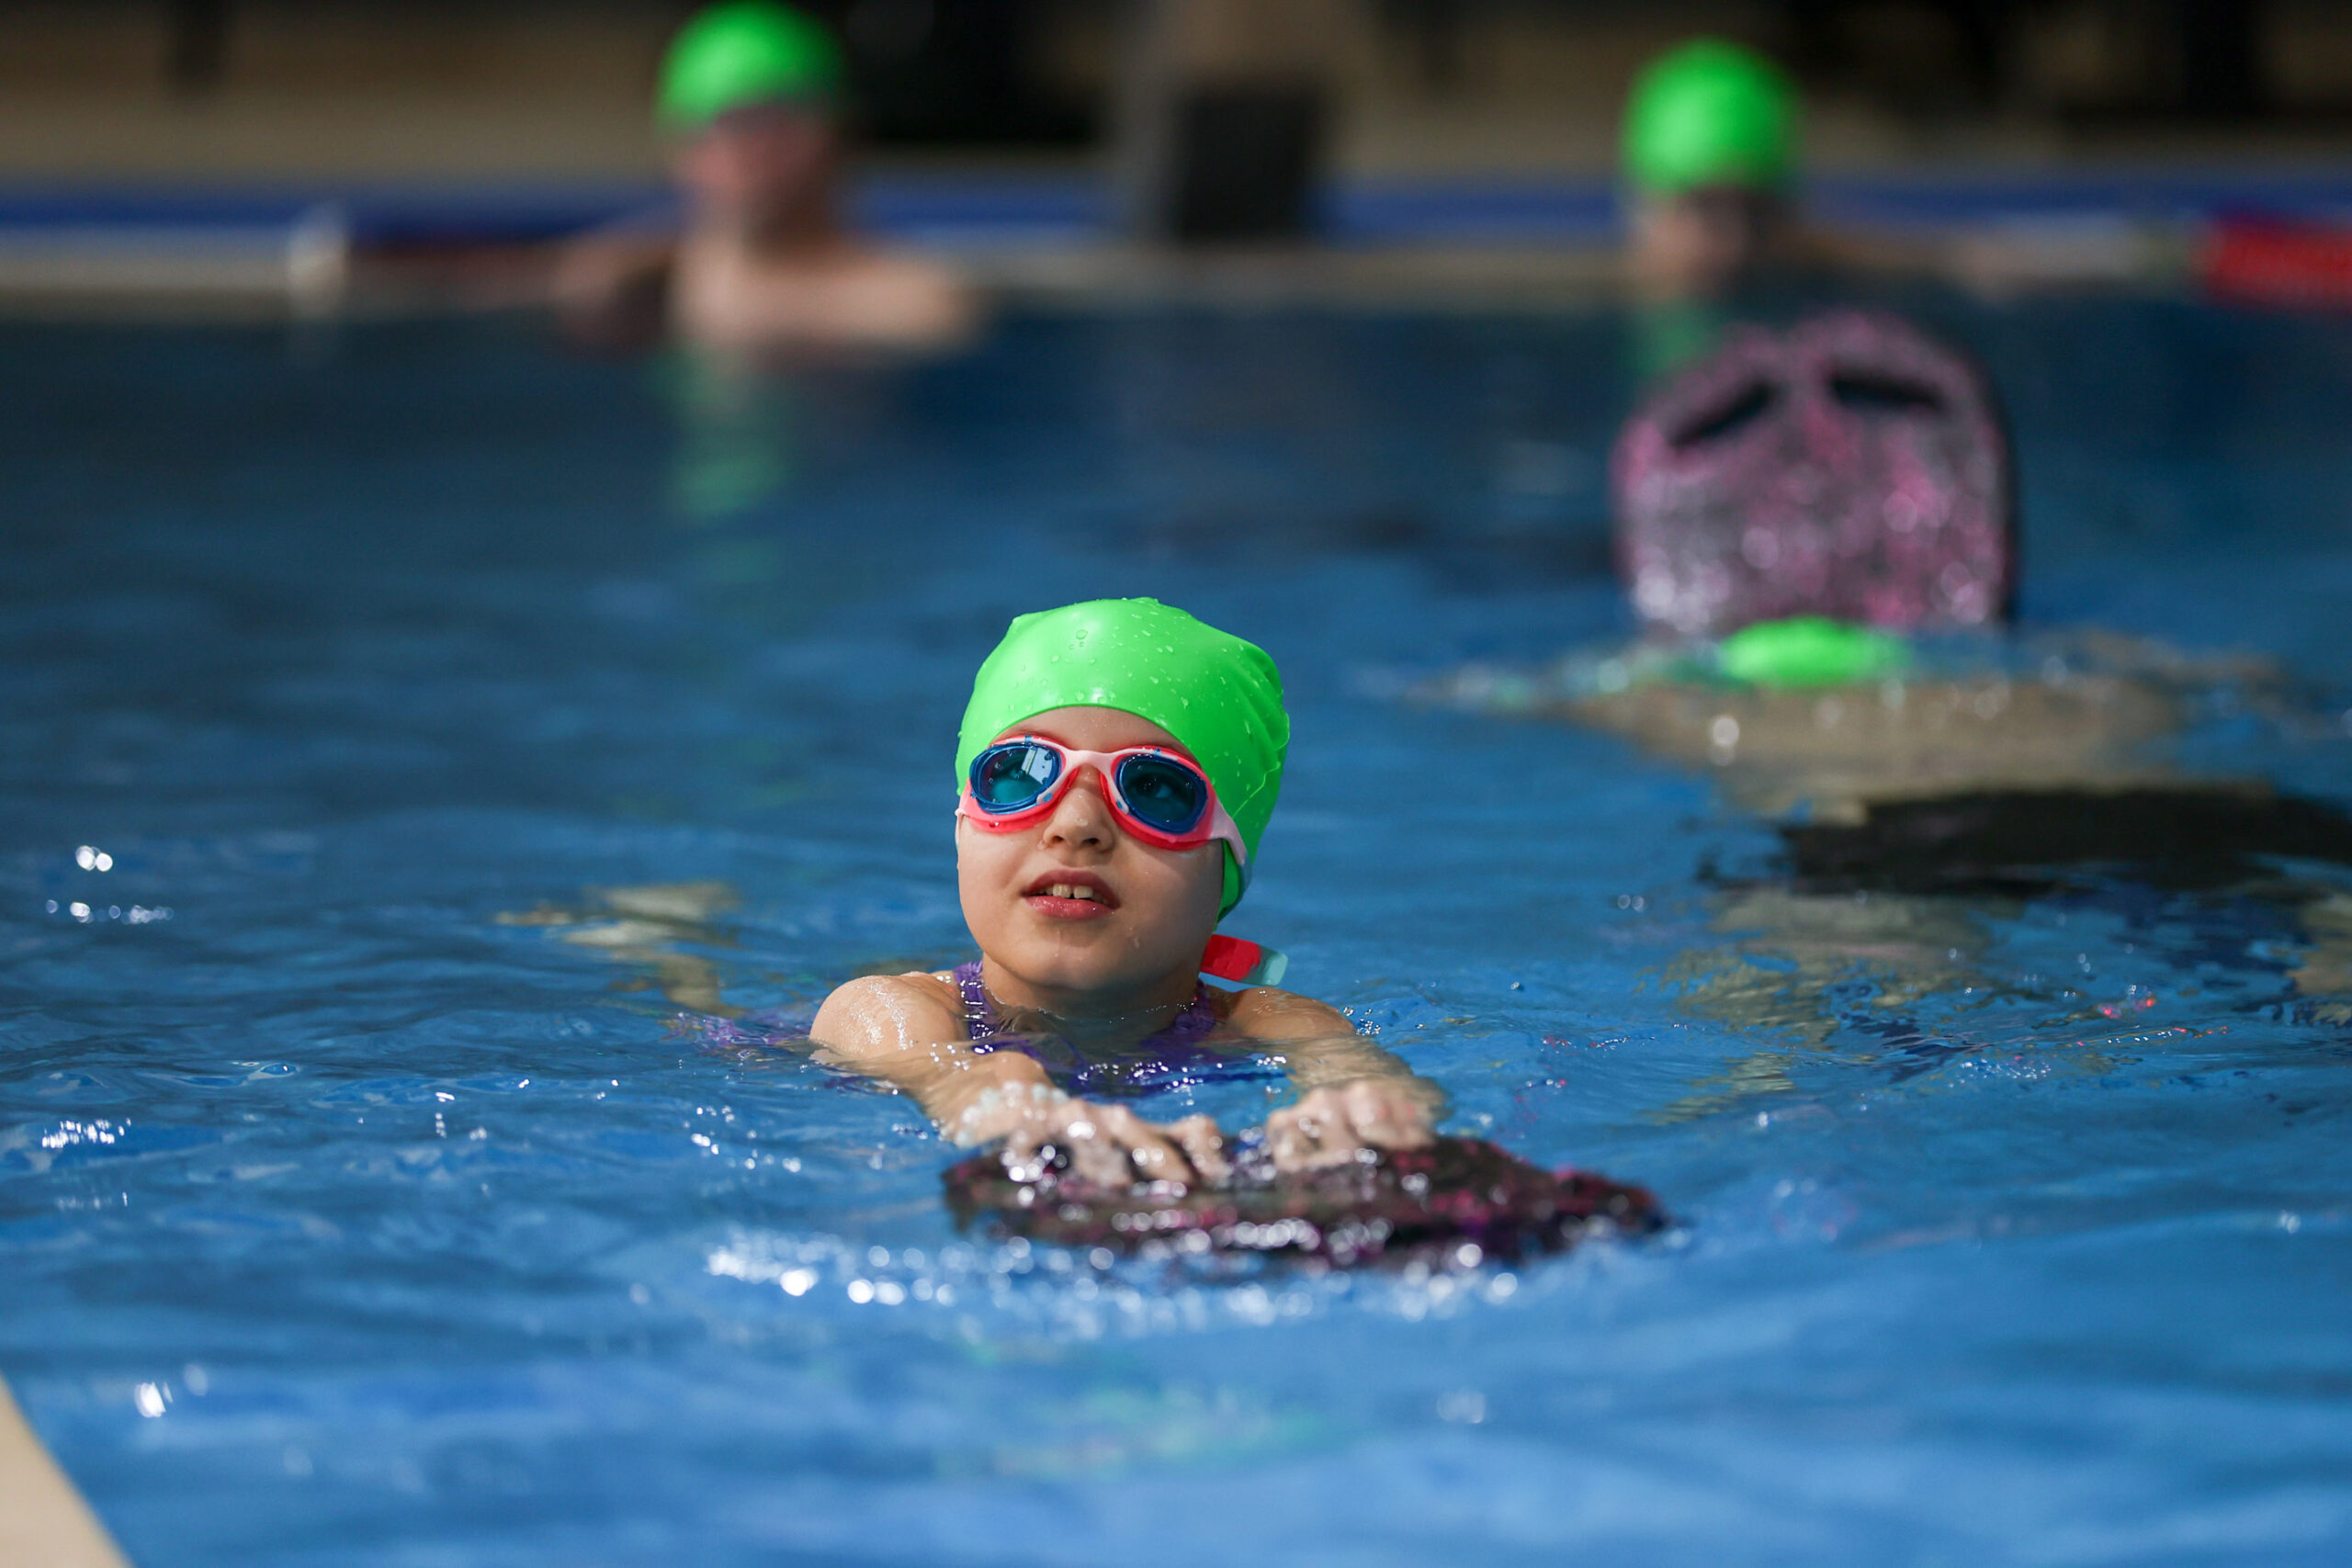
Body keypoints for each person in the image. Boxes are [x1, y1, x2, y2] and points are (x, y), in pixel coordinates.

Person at [810, 598, 1442, 1184]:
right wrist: (992, 1091)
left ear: (1228, 864)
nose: (1078, 825)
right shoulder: (893, 1008)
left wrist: (1367, 1119)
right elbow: (908, 1054)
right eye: (1019, 774)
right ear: (962, 824)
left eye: (1155, 790)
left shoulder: (1273, 1024)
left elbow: (1379, 1091)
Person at [554, 0, 974, 351]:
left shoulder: (913, 300)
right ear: (678, 152)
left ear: (842, 135)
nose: (754, 148)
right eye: (727, 125)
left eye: (781, 121)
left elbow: (927, 315)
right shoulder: (628, 275)